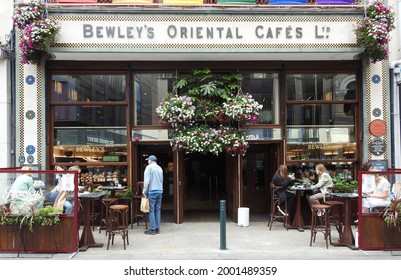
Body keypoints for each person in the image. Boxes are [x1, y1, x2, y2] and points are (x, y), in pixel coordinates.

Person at [142, 155, 163, 235]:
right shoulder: (160, 168)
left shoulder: (148, 168)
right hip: (159, 191)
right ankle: (157, 228)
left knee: (151, 210)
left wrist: (144, 191)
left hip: (152, 191)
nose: (147, 161)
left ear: (150, 161)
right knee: (158, 210)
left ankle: (153, 229)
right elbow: (161, 180)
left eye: (148, 160)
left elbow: (147, 181)